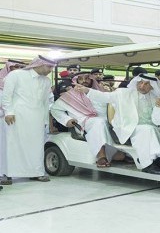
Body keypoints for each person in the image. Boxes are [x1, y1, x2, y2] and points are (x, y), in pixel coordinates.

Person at [74, 74, 160, 175]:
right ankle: (147, 164)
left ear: (152, 86)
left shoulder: (155, 98)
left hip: (149, 127)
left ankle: (158, 161)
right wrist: (87, 90)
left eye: (146, 84)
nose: (142, 86)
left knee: (157, 130)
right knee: (147, 130)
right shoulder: (123, 93)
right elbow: (104, 97)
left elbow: (157, 121)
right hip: (127, 127)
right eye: (140, 82)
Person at [1, 56, 56, 184]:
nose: (50, 70)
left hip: (36, 118)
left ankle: (36, 173)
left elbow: (45, 103)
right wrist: (9, 112)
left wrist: (45, 121)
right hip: (16, 116)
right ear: (39, 64)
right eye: (49, 67)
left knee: (36, 146)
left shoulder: (47, 81)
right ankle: (8, 174)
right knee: (13, 145)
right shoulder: (16, 75)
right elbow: (6, 95)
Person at [51, 72, 118, 168]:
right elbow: (55, 109)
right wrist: (67, 120)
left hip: (107, 122)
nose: (84, 81)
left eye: (87, 78)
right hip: (82, 124)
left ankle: (120, 153)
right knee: (98, 122)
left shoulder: (100, 92)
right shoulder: (69, 96)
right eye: (81, 79)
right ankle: (101, 156)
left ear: (91, 79)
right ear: (76, 81)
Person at [0, 59, 27, 185]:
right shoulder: (2, 82)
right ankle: (4, 173)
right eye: (14, 67)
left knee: (18, 146)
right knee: (4, 147)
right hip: (3, 120)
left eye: (20, 67)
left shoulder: (24, 83)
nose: (17, 69)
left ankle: (20, 172)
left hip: (19, 120)